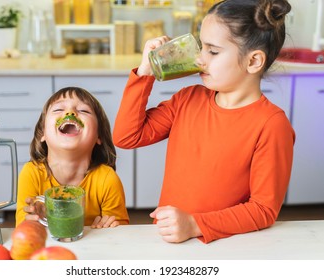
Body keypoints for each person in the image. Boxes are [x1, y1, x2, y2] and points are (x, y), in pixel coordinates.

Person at [113, 0, 294, 243]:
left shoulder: (271, 124)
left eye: (213, 51)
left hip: (222, 245)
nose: (200, 59)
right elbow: (127, 136)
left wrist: (194, 224)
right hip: (170, 239)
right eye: (201, 47)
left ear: (253, 61)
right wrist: (145, 72)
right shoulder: (188, 99)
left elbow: (263, 210)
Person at [16, 86, 129, 228]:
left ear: (98, 136)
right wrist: (35, 220)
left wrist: (110, 226)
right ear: (42, 133)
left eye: (83, 110)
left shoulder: (107, 179)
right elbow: (23, 227)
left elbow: (122, 231)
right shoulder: (31, 173)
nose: (70, 112)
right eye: (58, 109)